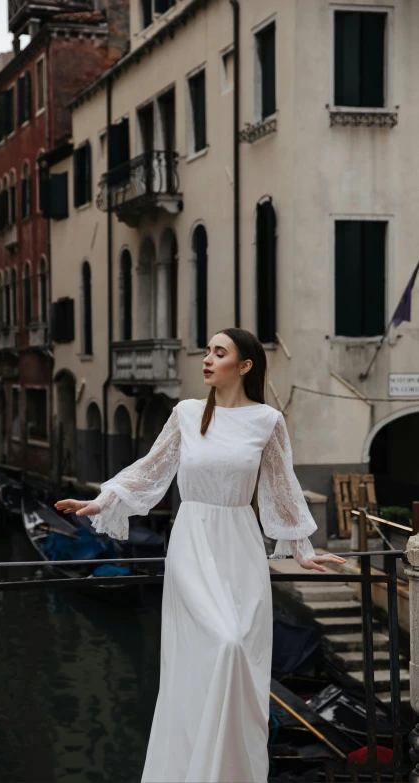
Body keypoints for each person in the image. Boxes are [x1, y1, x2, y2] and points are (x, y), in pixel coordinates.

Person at [55, 327, 345, 783]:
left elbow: (282, 488)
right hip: (192, 543)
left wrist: (302, 550)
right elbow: (150, 470)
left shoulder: (268, 421)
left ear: (244, 366)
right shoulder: (187, 414)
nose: (206, 359)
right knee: (224, 646)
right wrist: (102, 501)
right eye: (207, 351)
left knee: (240, 660)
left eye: (218, 352)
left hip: (241, 547)